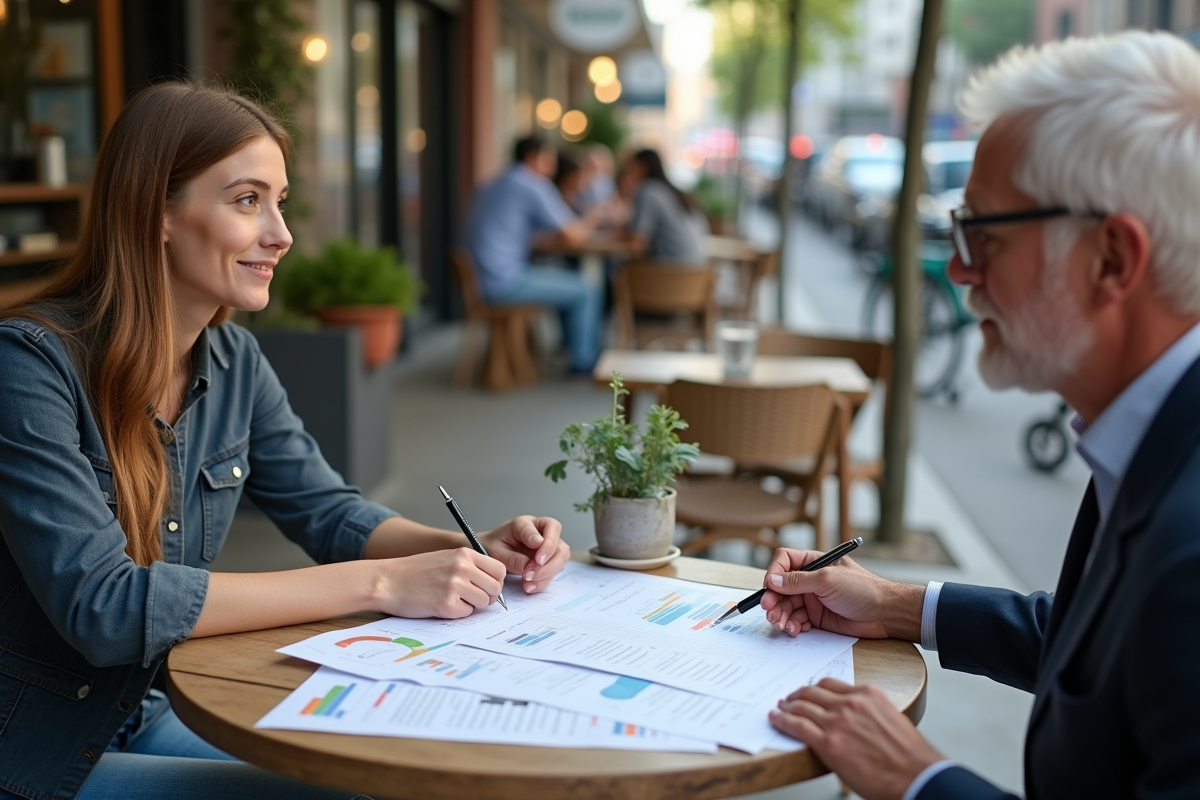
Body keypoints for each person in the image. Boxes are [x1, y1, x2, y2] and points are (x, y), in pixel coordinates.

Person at [0, 83, 571, 800]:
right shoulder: (29, 366)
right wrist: (386, 585)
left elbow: (329, 514)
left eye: (280, 201)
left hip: (135, 710)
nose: (282, 233)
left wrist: (467, 549)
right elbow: (104, 608)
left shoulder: (235, 363)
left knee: (398, 777)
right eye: (247, 200)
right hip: (30, 749)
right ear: (159, 213)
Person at [761, 31, 1200, 800]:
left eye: (984, 233)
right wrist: (897, 606)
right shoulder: (1152, 434)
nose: (959, 269)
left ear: (1113, 260)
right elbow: (1106, 648)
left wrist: (919, 779)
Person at [465, 135, 602, 372]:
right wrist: (594, 217)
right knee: (586, 288)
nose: (553, 166)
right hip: (504, 282)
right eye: (548, 159)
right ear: (532, 158)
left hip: (476, 280)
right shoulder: (531, 183)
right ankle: (583, 362)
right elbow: (573, 234)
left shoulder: (494, 182)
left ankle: (569, 347)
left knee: (565, 279)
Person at [621, 148, 707, 263]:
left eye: (631, 168)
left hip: (669, 274)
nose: (628, 172)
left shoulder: (649, 190)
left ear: (642, 167)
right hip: (696, 274)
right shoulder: (674, 192)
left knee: (618, 270)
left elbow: (637, 240)